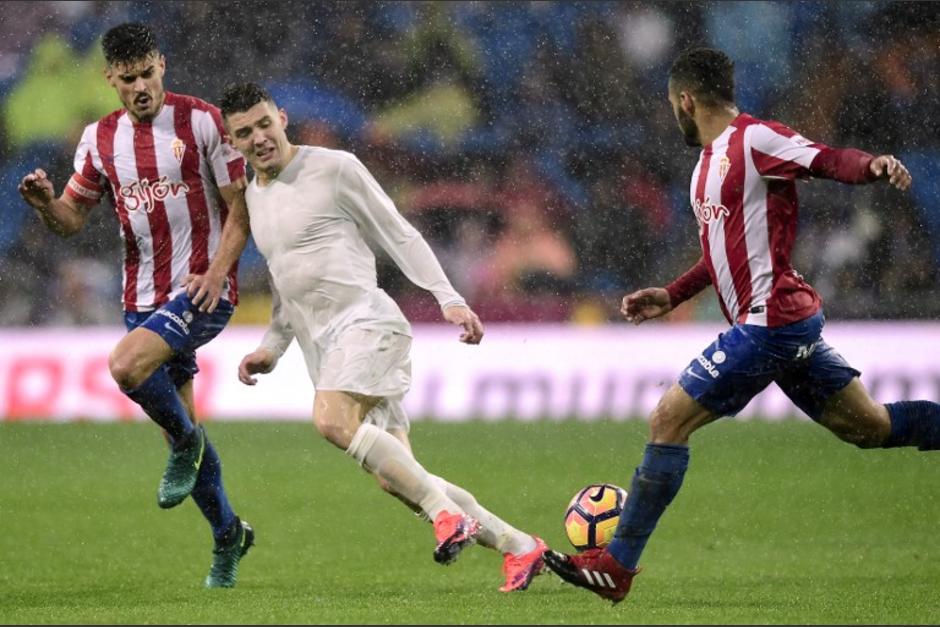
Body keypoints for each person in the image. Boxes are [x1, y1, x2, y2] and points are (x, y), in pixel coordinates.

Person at [542, 47, 938, 604]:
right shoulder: (707, 165)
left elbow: (823, 158)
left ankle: (616, 565)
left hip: (769, 323)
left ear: (685, 100)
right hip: (785, 327)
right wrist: (672, 294)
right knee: (868, 427)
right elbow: (723, 255)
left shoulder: (754, 139)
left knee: (668, 419)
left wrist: (871, 165)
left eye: (672, 106)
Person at [216, 81, 547, 592]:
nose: (259, 137)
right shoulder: (253, 198)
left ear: (282, 118)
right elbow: (288, 282)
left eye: (265, 123)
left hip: (368, 324)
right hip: (325, 349)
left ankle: (448, 517)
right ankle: (520, 546)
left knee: (330, 421)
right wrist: (272, 348)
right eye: (245, 132)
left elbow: (399, 232)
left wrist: (447, 296)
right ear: (231, 140)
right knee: (398, 476)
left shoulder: (334, 168)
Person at [17, 23, 254, 589]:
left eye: (148, 73)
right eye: (129, 78)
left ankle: (190, 444)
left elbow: (240, 209)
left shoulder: (202, 121)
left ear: (162, 65)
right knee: (178, 436)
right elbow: (72, 222)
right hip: (140, 297)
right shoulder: (99, 139)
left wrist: (216, 273)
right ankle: (229, 536)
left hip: (202, 290)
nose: (141, 86)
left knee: (125, 367)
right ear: (111, 79)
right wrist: (48, 204)